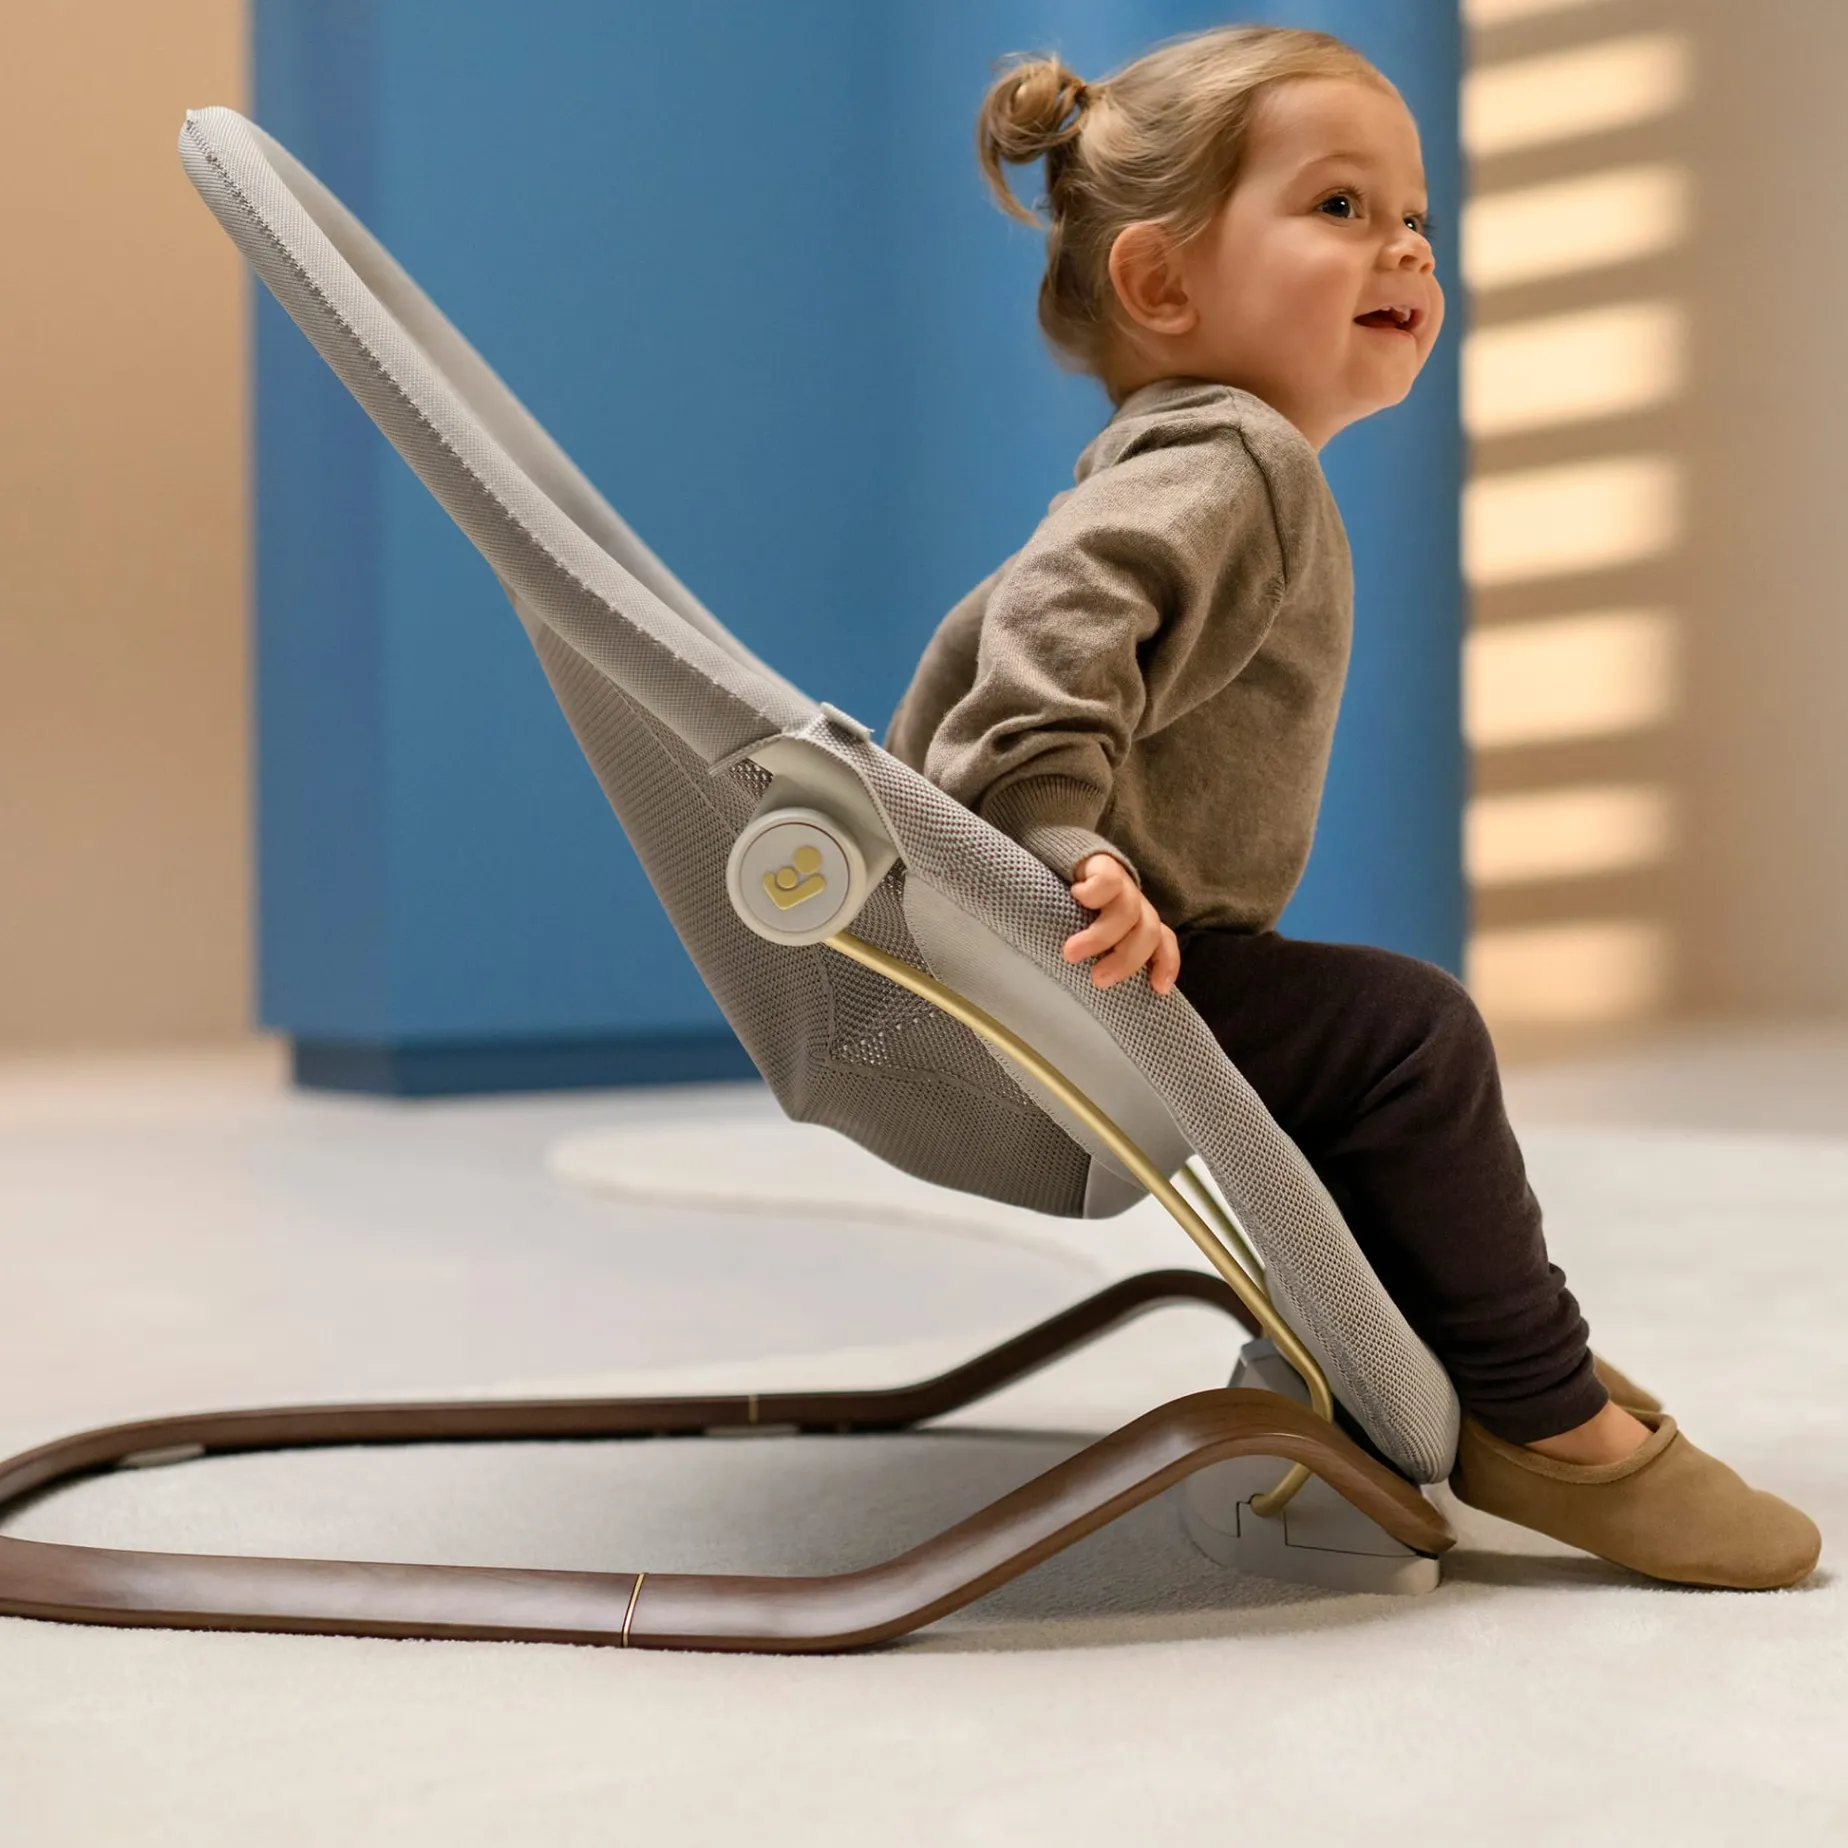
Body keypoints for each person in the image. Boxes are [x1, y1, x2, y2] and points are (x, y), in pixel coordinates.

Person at [883, 24, 1819, 1590]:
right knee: (1406, 1039)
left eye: (1416, 216)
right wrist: (1051, 840)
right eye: (1339, 207)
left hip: (1062, 961)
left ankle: (1395, 1364)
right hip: (1060, 966)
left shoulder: (1186, 456)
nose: (1406, 246)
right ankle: (1548, 1421)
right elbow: (1059, 616)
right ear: (1161, 283)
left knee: (1352, 1060)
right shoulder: (1233, 456)